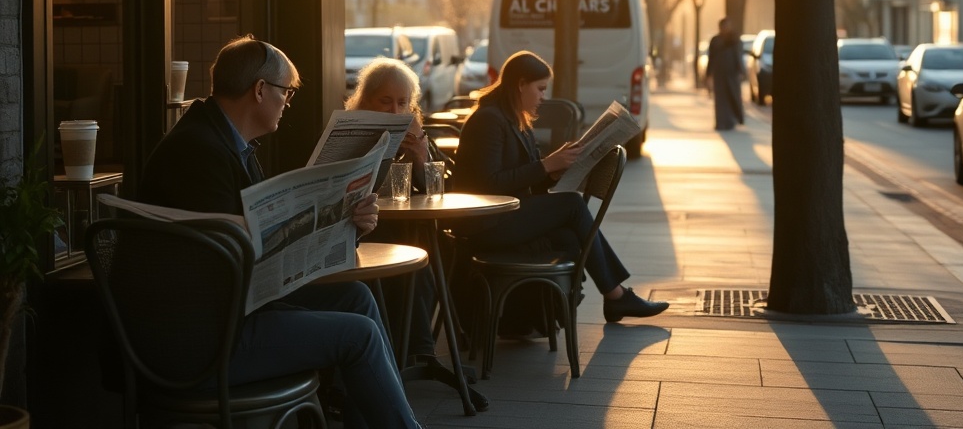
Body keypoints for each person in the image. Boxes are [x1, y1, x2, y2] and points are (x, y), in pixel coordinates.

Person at [138, 35, 423, 429]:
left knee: (355, 297)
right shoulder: (198, 153)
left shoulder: (228, 144)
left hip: (230, 308)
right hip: (205, 340)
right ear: (260, 91)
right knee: (358, 335)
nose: (288, 103)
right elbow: (237, 257)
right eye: (287, 92)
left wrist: (348, 223)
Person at [452, 50, 669, 324]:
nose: (543, 96)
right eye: (540, 89)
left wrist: (553, 172)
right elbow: (488, 183)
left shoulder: (516, 119)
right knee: (572, 205)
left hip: (506, 215)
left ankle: (545, 315)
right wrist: (546, 165)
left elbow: (523, 177)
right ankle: (615, 296)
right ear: (520, 84)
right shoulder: (489, 120)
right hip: (486, 222)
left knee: (568, 236)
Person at [345, 57, 443, 364]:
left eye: (403, 102)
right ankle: (411, 351)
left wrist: (421, 157)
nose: (395, 111)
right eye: (385, 101)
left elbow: (439, 195)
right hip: (364, 230)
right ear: (366, 101)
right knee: (416, 254)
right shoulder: (351, 132)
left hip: (408, 229)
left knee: (437, 252)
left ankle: (415, 350)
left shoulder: (417, 134)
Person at [706, 17, 745, 131]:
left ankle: (732, 120)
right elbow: (711, 58)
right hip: (719, 74)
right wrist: (709, 74)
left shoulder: (734, 39)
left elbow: (738, 56)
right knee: (720, 99)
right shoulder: (715, 40)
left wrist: (741, 71)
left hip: (732, 74)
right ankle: (721, 122)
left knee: (733, 96)